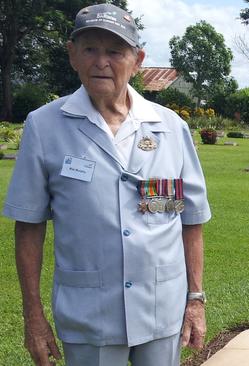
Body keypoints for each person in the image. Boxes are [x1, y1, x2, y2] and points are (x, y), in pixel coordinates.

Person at [3, 4, 211, 366]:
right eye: (90, 49)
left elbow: (189, 218)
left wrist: (195, 299)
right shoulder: (45, 126)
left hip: (161, 309)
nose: (102, 61)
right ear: (73, 55)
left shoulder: (171, 127)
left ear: (137, 60)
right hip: (89, 314)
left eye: (115, 51)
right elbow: (29, 225)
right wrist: (33, 317)